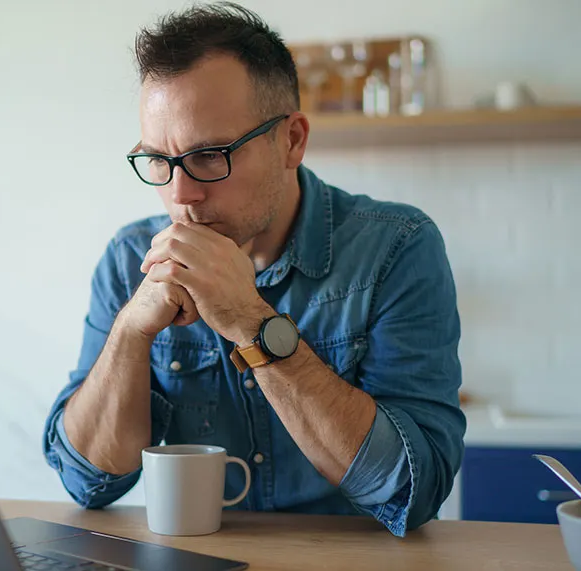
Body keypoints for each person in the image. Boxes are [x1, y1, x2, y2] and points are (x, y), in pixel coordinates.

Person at [42, 1, 465, 537]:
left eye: (210, 155)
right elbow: (87, 483)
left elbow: (412, 488)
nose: (180, 195)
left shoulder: (397, 247)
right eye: (159, 160)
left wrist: (250, 321)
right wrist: (130, 332)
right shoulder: (131, 257)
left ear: (292, 140)